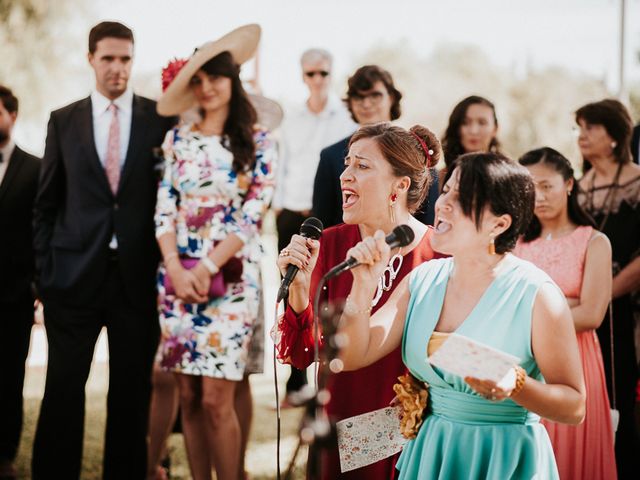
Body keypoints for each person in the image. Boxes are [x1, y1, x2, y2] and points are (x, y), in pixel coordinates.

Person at [337, 152, 586, 479]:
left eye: (463, 197)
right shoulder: (422, 280)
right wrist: (362, 286)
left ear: (499, 223)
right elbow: (353, 355)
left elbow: (574, 407)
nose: (443, 204)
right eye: (446, 190)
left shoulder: (536, 294)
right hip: (433, 451)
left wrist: (516, 384)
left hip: (503, 457)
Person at [31, 21, 175, 479]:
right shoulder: (63, 119)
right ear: (91, 58)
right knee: (62, 390)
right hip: (71, 279)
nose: (117, 68)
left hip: (136, 278)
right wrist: (45, 274)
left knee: (131, 395)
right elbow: (45, 205)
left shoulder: (160, 119)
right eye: (108, 58)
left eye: (126, 59)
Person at [275, 122, 441, 479]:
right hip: (337, 421)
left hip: (413, 433)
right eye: (347, 163)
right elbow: (305, 355)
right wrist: (300, 294)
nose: (345, 175)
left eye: (362, 166)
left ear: (400, 185)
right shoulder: (329, 246)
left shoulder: (438, 255)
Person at [154, 24, 277, 480]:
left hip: (230, 283)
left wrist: (206, 265)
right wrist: (175, 269)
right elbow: (164, 210)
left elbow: (251, 216)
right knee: (186, 396)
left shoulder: (260, 142)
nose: (207, 88)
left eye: (216, 78)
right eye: (198, 81)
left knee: (215, 399)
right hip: (177, 282)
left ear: (233, 79)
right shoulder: (177, 141)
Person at [514, 147, 616, 480]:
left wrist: (534, 316)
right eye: (531, 187)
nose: (538, 196)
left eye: (547, 186)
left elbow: (592, 313)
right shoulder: (515, 244)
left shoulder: (594, 241)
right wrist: (565, 303)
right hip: (525, 359)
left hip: (577, 359)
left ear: (569, 184)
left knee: (572, 452)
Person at [273, 48, 356, 402]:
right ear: (302, 76)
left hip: (328, 214)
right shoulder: (291, 119)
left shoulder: (347, 121)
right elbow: (282, 163)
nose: (317, 80)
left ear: (331, 73)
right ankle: (296, 375)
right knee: (292, 288)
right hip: (292, 211)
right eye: (311, 74)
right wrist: (277, 209)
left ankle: (320, 365)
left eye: (323, 73)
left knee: (320, 290)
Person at [575, 99, 640, 479]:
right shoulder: (579, 190)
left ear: (615, 136)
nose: (583, 135)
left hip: (629, 309)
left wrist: (605, 291)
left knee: (625, 399)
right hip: (588, 311)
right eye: (579, 127)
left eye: (591, 127)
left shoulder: (637, 182)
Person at [311, 65, 439, 229]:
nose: (366, 104)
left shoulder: (416, 152)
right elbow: (322, 221)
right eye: (358, 97)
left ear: (391, 98)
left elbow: (429, 224)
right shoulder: (330, 155)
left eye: (375, 96)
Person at [0, 85, 40, 480]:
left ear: (12, 115)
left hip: (14, 296)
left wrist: (37, 286)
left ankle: (5, 454)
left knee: (10, 378)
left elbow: (41, 230)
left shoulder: (35, 167)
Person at [439, 95, 501, 189]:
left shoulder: (507, 177)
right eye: (465, 122)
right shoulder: (436, 180)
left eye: (482, 122)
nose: (473, 130)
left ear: (495, 129)